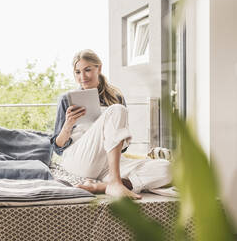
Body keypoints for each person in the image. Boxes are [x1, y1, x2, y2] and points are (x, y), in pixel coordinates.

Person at [50, 49, 172, 199]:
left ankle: (104, 186)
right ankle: (115, 181)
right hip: (79, 159)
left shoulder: (116, 97)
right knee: (117, 110)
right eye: (77, 72)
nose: (82, 77)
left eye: (87, 70)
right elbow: (58, 147)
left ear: (99, 68)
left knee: (166, 168)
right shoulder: (67, 100)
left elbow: (123, 148)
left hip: (106, 165)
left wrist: (117, 137)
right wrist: (68, 125)